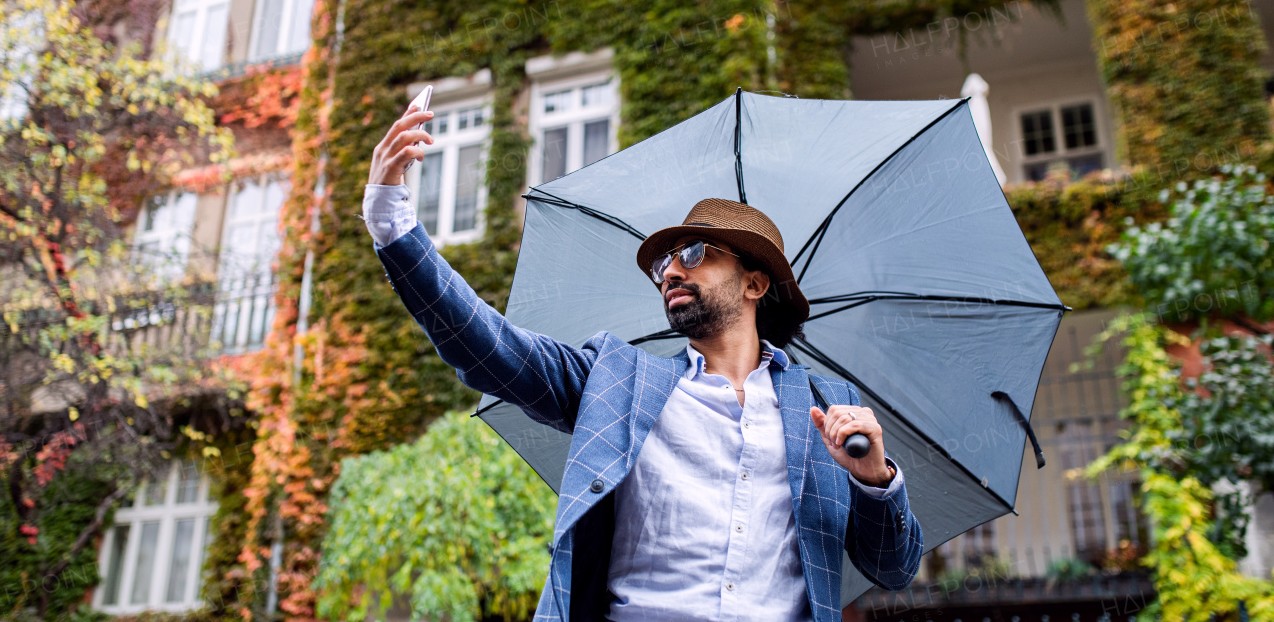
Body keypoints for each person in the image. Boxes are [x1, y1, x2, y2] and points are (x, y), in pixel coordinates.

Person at [362, 105, 924, 622]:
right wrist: (393, 223)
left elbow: (894, 568)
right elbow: (488, 347)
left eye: (696, 253)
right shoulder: (615, 380)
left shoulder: (827, 412)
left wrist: (876, 479)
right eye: (665, 265)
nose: (672, 272)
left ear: (755, 282)